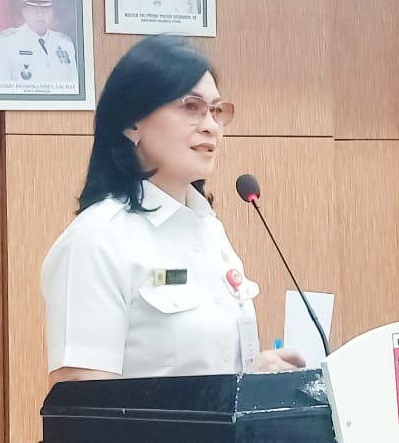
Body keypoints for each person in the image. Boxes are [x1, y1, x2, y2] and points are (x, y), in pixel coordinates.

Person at [41, 34, 305, 384]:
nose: (211, 126)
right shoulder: (97, 240)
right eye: (191, 107)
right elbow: (85, 403)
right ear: (132, 122)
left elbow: (205, 374)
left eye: (216, 110)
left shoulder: (209, 229)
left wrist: (254, 376)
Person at [0, 0, 79, 85]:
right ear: (24, 12)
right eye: (33, 8)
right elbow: (1, 87)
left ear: (52, 11)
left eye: (46, 8)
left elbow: (74, 87)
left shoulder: (65, 44)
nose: (40, 14)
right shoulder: (6, 42)